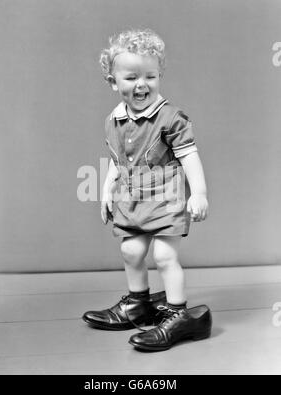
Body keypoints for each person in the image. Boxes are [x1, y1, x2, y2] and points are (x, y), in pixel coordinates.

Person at [83, 29, 212, 351]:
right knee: (131, 251)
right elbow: (115, 161)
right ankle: (138, 304)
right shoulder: (114, 119)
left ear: (159, 76)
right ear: (113, 82)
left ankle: (179, 315)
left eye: (150, 76)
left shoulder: (171, 119)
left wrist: (199, 193)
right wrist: (106, 192)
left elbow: (189, 157)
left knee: (164, 255)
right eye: (131, 77)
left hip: (165, 196)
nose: (142, 84)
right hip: (131, 196)